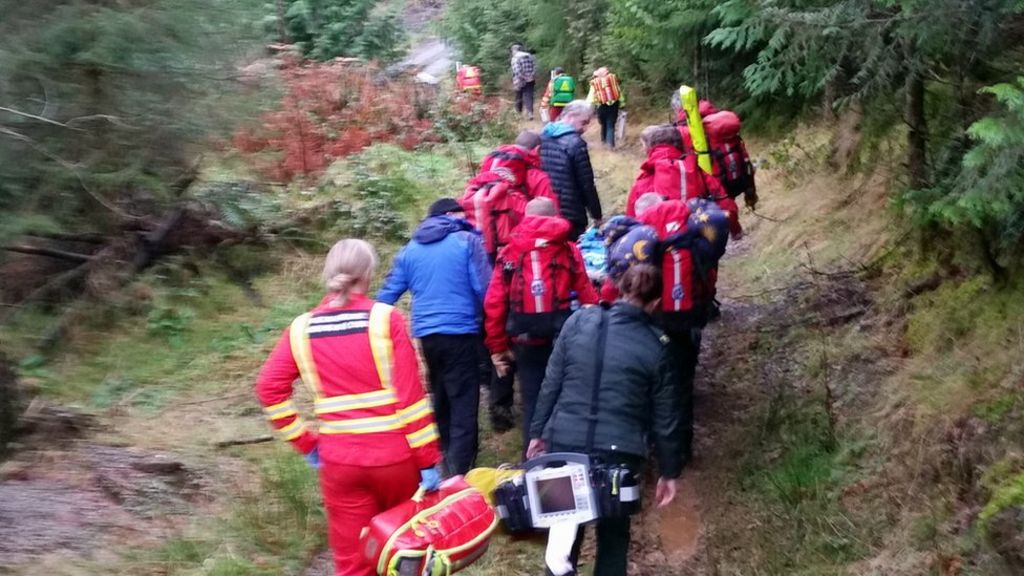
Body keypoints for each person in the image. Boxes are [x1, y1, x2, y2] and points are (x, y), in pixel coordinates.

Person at [255, 239, 442, 576]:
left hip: (339, 462)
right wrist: (428, 460)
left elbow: (268, 389)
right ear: (368, 274)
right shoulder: (387, 320)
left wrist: (306, 443)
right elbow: (412, 400)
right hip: (395, 461)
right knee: (407, 557)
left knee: (355, 564)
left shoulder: (301, 329)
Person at [528, 261, 682, 576]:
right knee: (614, 538)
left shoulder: (578, 321)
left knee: (562, 536)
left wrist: (537, 433)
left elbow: (550, 384)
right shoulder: (657, 345)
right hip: (619, 456)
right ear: (655, 303)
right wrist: (669, 471)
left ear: (620, 288)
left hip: (564, 445)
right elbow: (666, 417)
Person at [377, 199, 492, 475]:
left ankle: (442, 456)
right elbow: (485, 287)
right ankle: (460, 471)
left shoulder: (409, 250)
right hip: (461, 331)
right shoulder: (466, 241)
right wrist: (492, 325)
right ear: (452, 216)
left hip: (427, 336)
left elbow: (386, 295)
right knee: (464, 399)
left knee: (441, 395)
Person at [484, 197, 598, 452]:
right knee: (566, 395)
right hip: (563, 338)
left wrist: (497, 347)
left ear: (526, 217)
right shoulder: (568, 249)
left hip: (525, 339)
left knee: (533, 397)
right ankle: (570, 456)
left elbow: (494, 303)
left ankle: (534, 460)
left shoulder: (509, 251)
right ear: (555, 216)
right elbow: (588, 296)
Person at [626, 124, 743, 238]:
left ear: (650, 149)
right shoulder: (697, 171)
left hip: (662, 245)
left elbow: (631, 222)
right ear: (680, 144)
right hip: (697, 239)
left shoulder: (643, 180)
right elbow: (724, 202)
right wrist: (735, 229)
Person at [540, 100, 603, 241]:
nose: (584, 128)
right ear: (571, 116)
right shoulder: (575, 143)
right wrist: (596, 215)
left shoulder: (543, 136)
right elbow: (586, 183)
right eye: (584, 122)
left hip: (545, 208)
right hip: (571, 213)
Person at [586, 67, 625, 148]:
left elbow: (591, 98)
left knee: (603, 124)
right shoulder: (612, 81)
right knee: (611, 125)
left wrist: (588, 108)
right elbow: (619, 93)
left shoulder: (595, 83)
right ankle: (610, 144)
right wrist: (622, 103)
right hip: (614, 104)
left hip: (601, 105)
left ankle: (604, 142)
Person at [510, 43, 536, 121]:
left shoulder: (515, 58)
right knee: (529, 96)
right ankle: (530, 113)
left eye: (512, 51)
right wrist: (531, 76)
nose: (512, 52)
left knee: (518, 96)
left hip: (519, 80)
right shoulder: (530, 56)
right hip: (530, 79)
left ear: (515, 50)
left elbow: (516, 70)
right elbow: (535, 66)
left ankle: (518, 114)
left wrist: (523, 77)